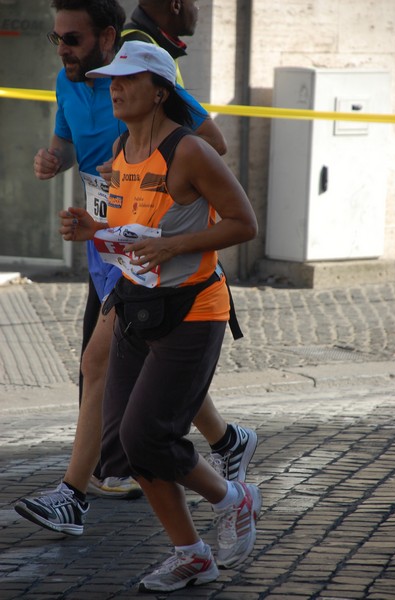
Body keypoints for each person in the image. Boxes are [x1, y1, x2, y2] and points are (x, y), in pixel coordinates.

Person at [14, 0, 257, 535]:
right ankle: (224, 447)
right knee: (141, 366)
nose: (62, 50)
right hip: (113, 241)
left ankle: (76, 493)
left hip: (155, 252)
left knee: (101, 365)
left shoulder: (145, 81)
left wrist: (165, 217)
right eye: (55, 39)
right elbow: (68, 146)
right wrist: (55, 163)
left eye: (71, 39)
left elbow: (206, 149)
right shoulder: (68, 82)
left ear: (106, 37)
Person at [60, 39, 262, 593]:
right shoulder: (123, 149)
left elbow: (244, 225)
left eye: (125, 80)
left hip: (195, 309)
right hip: (136, 307)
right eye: (110, 81)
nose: (113, 88)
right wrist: (91, 229)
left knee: (147, 435)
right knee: (123, 445)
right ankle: (192, 553)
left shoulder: (190, 151)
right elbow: (134, 231)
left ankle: (232, 498)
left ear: (159, 90)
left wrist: (177, 248)